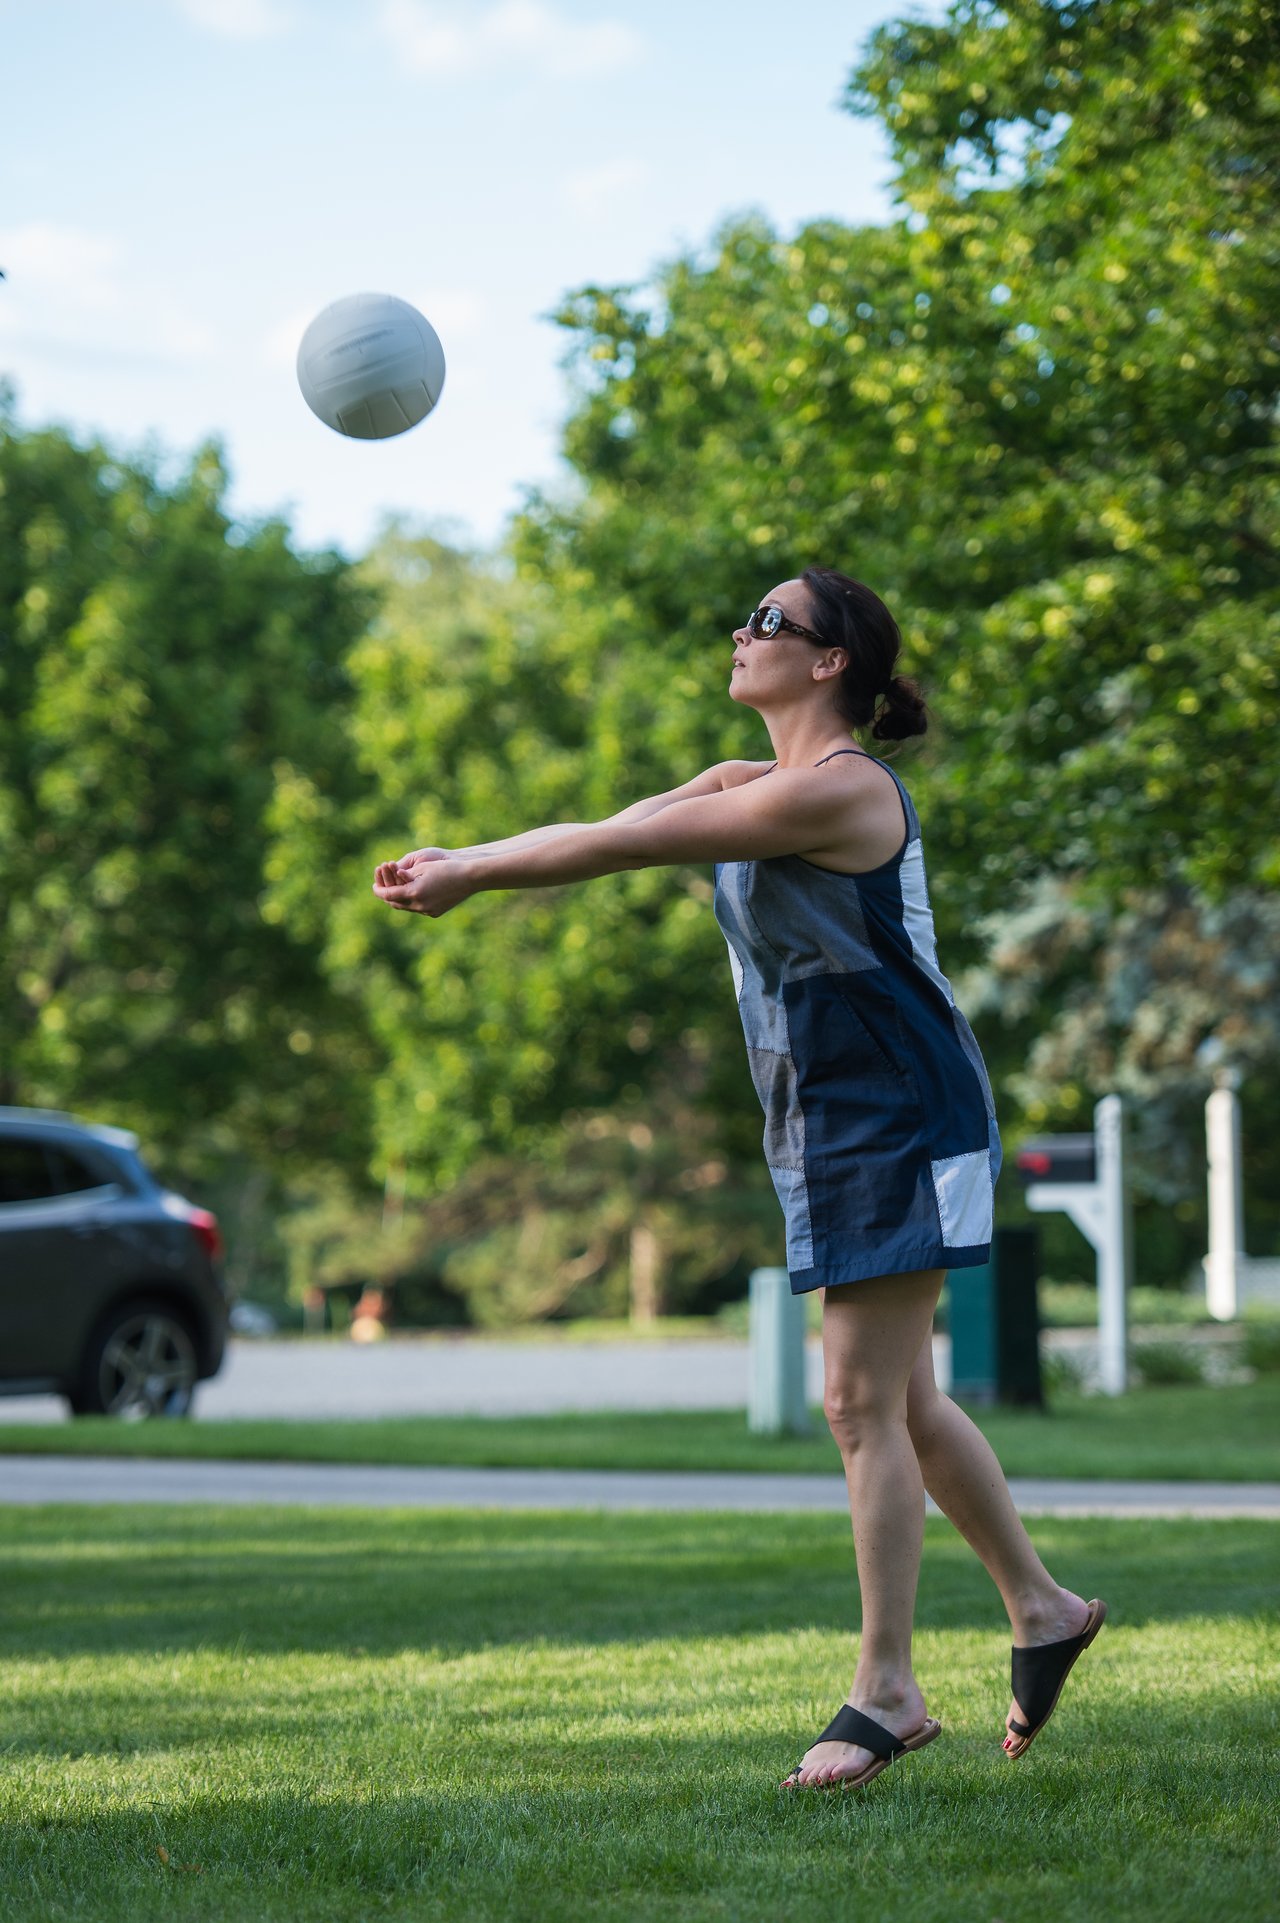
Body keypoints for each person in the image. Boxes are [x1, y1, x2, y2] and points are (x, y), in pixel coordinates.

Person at [373, 566, 1106, 1792]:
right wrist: (472, 852)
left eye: (768, 621)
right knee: (904, 1403)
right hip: (829, 1114)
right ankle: (1040, 1610)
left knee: (856, 1404)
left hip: (899, 1112)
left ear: (828, 663)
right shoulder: (745, 781)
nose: (740, 630)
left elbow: (633, 846)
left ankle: (885, 1687)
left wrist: (479, 876)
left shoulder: (842, 793)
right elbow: (605, 824)